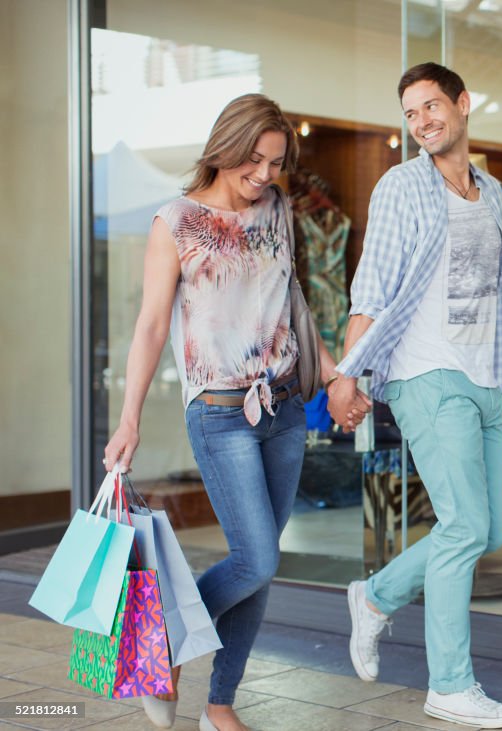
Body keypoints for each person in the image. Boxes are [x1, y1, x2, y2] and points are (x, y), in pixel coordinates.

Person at [326, 62, 502, 729]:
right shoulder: (401, 186)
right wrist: (347, 373)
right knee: (461, 525)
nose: (423, 121)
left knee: (488, 526)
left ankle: (374, 597)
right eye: (410, 112)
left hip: (487, 376)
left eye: (432, 105)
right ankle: (450, 685)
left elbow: (501, 298)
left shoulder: (496, 195)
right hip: (425, 374)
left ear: (462, 104)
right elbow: (370, 287)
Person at [103, 94, 339, 731]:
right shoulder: (176, 221)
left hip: (285, 407)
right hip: (220, 412)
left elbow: (292, 300)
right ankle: (161, 647)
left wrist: (333, 369)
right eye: (254, 160)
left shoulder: (278, 208)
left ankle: (219, 705)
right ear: (226, 146)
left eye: (276, 163)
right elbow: (152, 326)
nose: (264, 174)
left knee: (257, 571)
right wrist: (129, 420)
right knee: (257, 559)